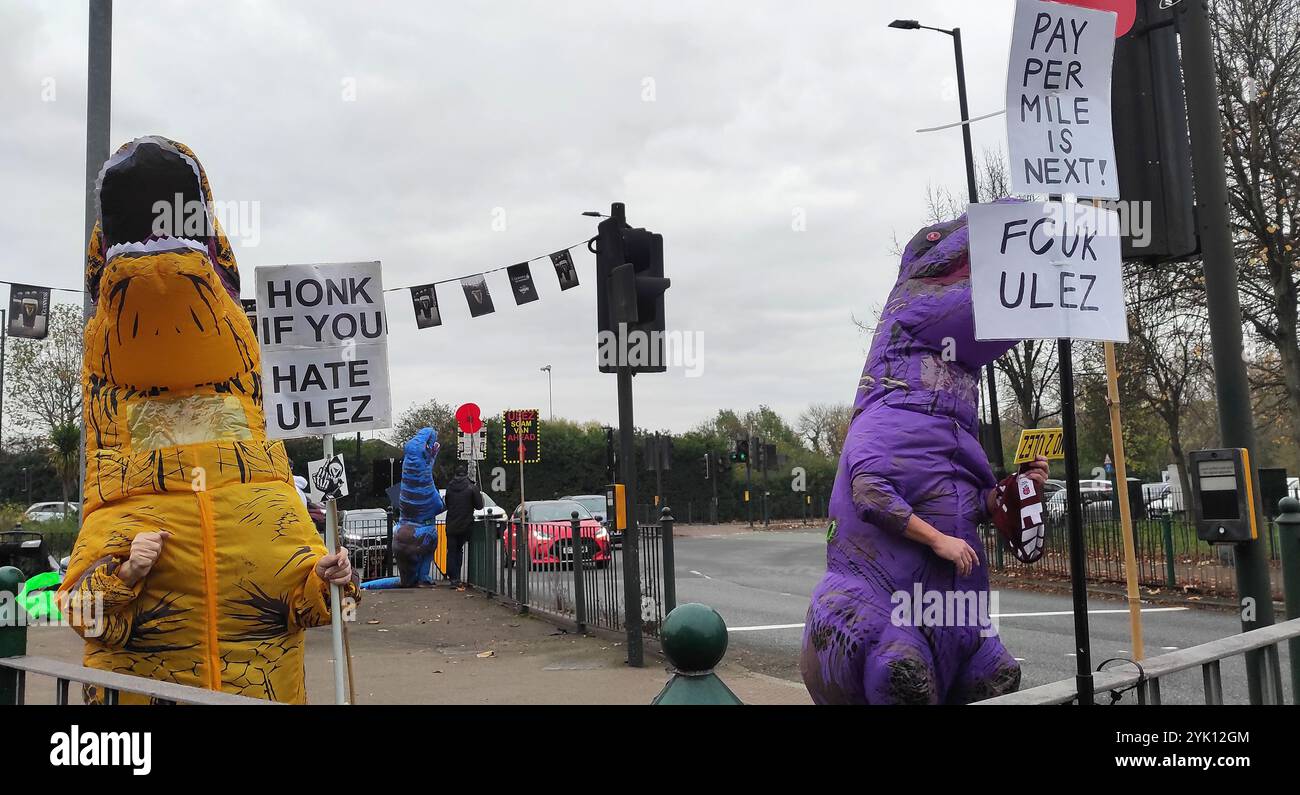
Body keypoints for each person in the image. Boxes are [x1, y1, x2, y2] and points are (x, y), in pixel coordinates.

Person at [60, 136, 357, 704]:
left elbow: (313, 610)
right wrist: (121, 578)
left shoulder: (272, 495)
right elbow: (81, 614)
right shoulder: (116, 497)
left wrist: (331, 582)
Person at [442, 461, 483, 591]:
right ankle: (459, 578)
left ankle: (453, 579)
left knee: (451, 551)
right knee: (459, 551)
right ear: (465, 474)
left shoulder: (449, 487)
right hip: (466, 524)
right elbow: (479, 506)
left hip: (451, 524)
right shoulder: (471, 487)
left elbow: (447, 504)